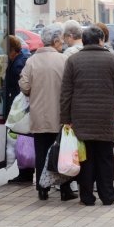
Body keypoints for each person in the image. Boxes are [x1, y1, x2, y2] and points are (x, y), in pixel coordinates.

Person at [60, 25, 114, 206]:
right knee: (105, 157)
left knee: (85, 158)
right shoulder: (112, 59)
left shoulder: (73, 60)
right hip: (104, 117)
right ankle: (107, 196)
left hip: (80, 119)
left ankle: (87, 197)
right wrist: (109, 94)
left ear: (83, 41)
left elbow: (65, 92)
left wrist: (66, 119)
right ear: (100, 40)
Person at [18, 24, 74, 201]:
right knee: (62, 151)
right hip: (60, 116)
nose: (62, 43)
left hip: (39, 116)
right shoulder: (64, 60)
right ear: (56, 41)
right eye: (61, 40)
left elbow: (24, 85)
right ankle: (65, 189)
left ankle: (42, 189)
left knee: (41, 152)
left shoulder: (31, 61)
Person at [5, 34, 34, 184]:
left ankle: (25, 173)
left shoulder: (17, 65)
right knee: (24, 139)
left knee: (22, 139)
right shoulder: (21, 59)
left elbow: (21, 87)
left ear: (12, 50)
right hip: (24, 107)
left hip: (21, 108)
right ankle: (25, 172)